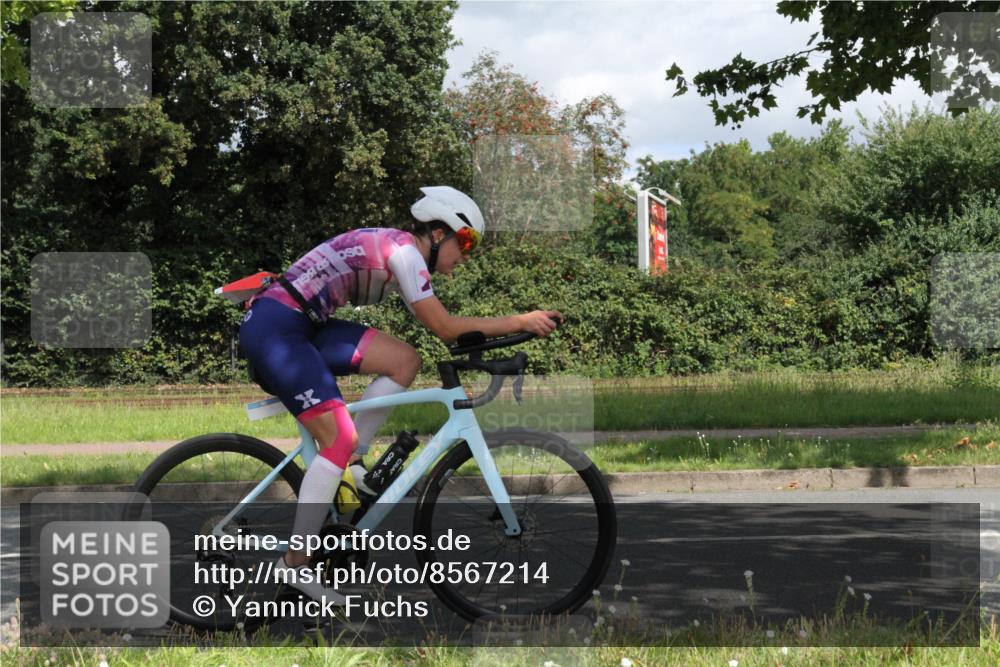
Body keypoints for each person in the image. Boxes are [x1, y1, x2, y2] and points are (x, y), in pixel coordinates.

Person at [237, 186, 561, 603]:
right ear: (439, 232)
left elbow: (442, 332)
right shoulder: (406, 255)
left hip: (302, 322)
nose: (466, 256)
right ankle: (296, 563)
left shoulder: (402, 250)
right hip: (277, 327)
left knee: (404, 361)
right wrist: (520, 320)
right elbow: (445, 328)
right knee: (338, 437)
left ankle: (352, 465)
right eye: (465, 242)